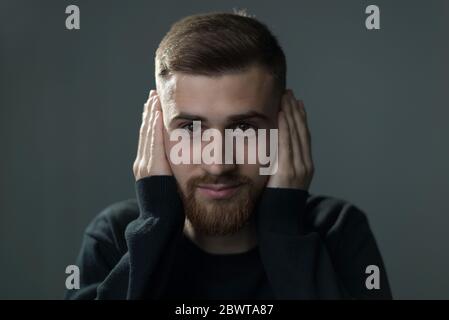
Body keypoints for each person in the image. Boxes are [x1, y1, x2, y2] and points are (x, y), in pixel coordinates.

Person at [65, 11, 392, 300]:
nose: (219, 163)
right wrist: (156, 228)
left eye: (245, 129)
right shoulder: (115, 237)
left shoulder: (338, 231)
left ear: (285, 124)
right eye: (190, 129)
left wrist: (282, 226)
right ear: (156, 131)